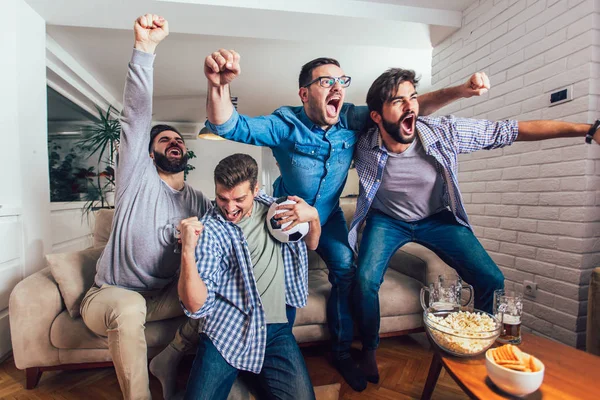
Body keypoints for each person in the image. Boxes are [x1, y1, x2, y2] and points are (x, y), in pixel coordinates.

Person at [202, 48, 489, 391]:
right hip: (288, 216)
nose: (337, 87)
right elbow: (228, 124)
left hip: (329, 215)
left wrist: (461, 90)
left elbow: (404, 109)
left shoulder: (351, 118)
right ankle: (274, 351)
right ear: (305, 93)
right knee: (280, 278)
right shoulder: (284, 124)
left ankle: (341, 353)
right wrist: (217, 85)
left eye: (341, 80)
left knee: (346, 270)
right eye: (326, 81)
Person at [349, 67, 600, 385]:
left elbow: (511, 130)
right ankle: (369, 351)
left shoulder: (443, 131)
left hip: (437, 218)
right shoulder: (361, 143)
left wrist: (587, 129)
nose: (411, 105)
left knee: (491, 277)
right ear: (376, 116)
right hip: (387, 221)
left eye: (413, 97)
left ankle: (477, 344)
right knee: (365, 280)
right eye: (399, 101)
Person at [79, 14, 212, 400]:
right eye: (164, 138)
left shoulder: (197, 200)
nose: (174, 142)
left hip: (162, 297)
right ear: (149, 153)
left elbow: (234, 214)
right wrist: (145, 50)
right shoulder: (136, 179)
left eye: (178, 140)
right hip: (111, 295)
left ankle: (169, 359)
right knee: (129, 308)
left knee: (218, 291)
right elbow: (135, 118)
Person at [178, 153, 321, 400]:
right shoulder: (210, 230)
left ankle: (249, 370)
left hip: (276, 329)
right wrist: (187, 250)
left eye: (239, 199)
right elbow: (196, 306)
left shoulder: (277, 209)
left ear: (256, 189)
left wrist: (314, 217)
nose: (230, 208)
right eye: (222, 198)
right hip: (228, 330)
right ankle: (245, 368)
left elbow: (312, 244)